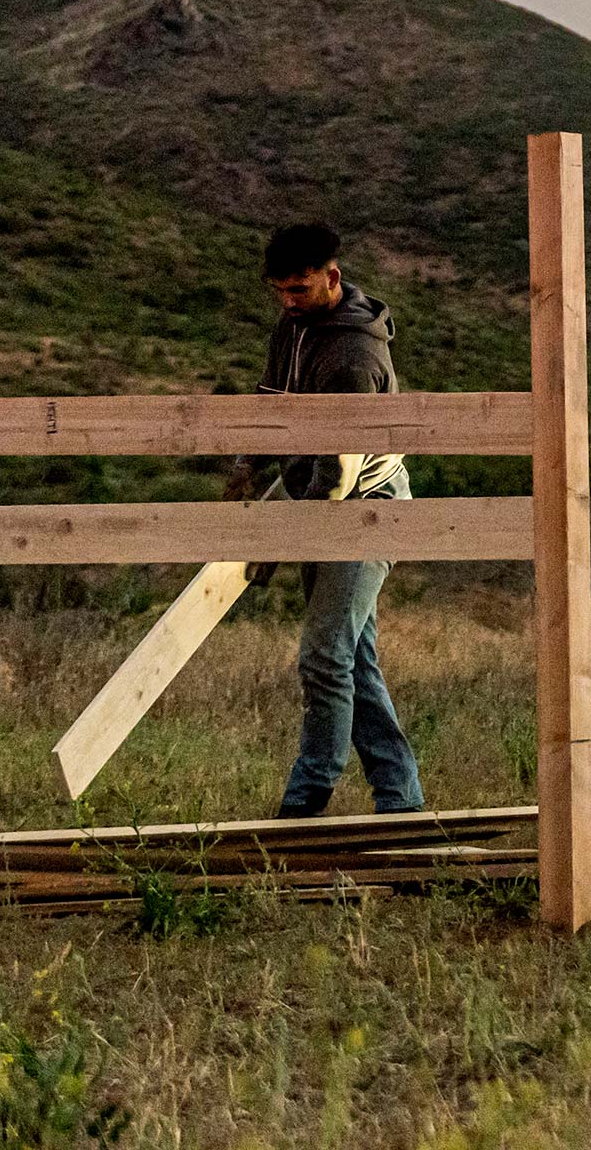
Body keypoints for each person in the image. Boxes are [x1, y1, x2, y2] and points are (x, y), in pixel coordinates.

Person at [255, 222, 426, 818]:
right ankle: (401, 800)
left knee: (325, 655)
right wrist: (250, 474)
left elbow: (338, 476)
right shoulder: (293, 325)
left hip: (363, 507)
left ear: (332, 277)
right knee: (353, 657)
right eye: (279, 290)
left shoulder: (354, 355)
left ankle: (306, 801)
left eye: (299, 289)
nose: (287, 301)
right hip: (315, 489)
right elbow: (269, 404)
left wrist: (281, 527)